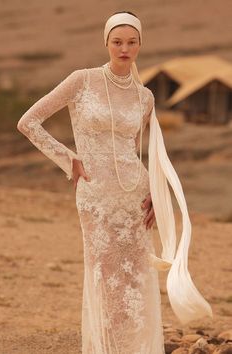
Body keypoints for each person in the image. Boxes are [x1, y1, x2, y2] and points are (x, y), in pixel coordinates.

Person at [17, 11, 213, 354]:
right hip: (95, 194)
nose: (124, 49)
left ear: (140, 45)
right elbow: (29, 122)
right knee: (103, 275)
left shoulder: (145, 97)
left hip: (133, 195)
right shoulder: (82, 80)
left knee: (135, 276)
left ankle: (136, 347)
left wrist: (155, 191)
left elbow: (150, 152)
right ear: (106, 43)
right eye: (117, 42)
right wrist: (69, 159)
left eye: (132, 42)